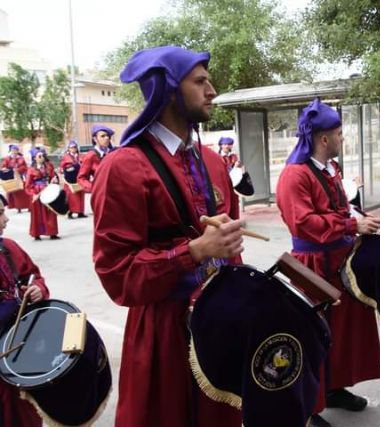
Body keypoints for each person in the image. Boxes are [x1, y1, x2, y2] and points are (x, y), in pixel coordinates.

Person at [91, 45, 244, 427]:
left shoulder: (212, 162)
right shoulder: (123, 167)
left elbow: (229, 248)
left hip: (219, 324)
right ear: (169, 90)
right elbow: (117, 274)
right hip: (164, 336)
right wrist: (191, 252)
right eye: (200, 81)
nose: (212, 90)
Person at [275, 98, 380, 427]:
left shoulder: (329, 170)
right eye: (339, 133)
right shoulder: (295, 175)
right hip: (313, 264)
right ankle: (308, 407)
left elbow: (338, 209)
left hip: (340, 261)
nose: (342, 139)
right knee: (313, 335)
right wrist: (352, 225)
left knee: (341, 332)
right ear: (323, 139)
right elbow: (304, 223)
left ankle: (334, 387)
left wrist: (358, 220)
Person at [0, 193, 49, 426]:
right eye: (0, 214)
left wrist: (38, 289)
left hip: (20, 346)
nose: (5, 220)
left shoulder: (9, 247)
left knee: (24, 410)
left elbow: (33, 276)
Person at [24, 147, 59, 241]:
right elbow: (27, 185)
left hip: (48, 190)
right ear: (34, 158)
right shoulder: (31, 170)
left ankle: (52, 232)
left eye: (42, 155)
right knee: (38, 214)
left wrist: (54, 180)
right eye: (39, 156)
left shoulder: (49, 166)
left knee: (50, 211)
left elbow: (53, 177)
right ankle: (37, 233)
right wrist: (33, 194)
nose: (41, 157)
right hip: (37, 192)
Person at [77, 125, 115, 193]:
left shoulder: (112, 153)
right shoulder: (91, 155)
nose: (106, 138)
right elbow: (81, 178)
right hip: (102, 195)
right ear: (95, 139)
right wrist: (95, 189)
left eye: (108, 136)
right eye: (102, 136)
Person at [59, 140, 87, 219]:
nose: (73, 149)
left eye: (74, 147)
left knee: (80, 196)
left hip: (79, 178)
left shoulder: (81, 156)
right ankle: (70, 212)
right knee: (70, 196)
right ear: (68, 149)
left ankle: (80, 212)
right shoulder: (66, 157)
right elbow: (62, 167)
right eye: (71, 148)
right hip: (70, 179)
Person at [1, 144, 30, 213]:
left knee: (23, 192)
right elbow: (3, 166)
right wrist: (4, 168)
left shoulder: (21, 158)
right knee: (14, 193)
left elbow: (25, 167)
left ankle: (28, 206)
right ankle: (18, 207)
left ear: (17, 151)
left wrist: (17, 170)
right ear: (11, 151)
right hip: (11, 178)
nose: (14, 151)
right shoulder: (7, 158)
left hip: (19, 177)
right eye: (12, 150)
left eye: (15, 150)